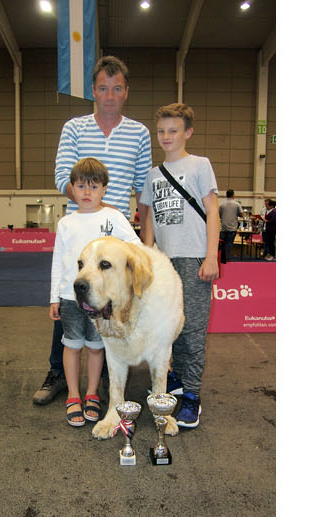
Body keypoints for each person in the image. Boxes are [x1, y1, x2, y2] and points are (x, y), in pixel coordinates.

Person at [34, 55, 152, 406]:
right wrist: (89, 205)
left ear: (126, 92)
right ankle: (58, 371)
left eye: (116, 89)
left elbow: (142, 191)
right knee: (71, 301)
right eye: (103, 88)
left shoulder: (140, 134)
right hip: (81, 234)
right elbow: (61, 178)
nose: (110, 95)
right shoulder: (73, 128)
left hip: (116, 238)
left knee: (112, 307)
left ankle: (105, 380)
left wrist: (145, 242)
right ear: (93, 91)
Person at [139, 102, 220, 429]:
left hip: (195, 258)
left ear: (187, 132)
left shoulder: (200, 165)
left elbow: (212, 211)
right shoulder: (152, 175)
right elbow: (149, 220)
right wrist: (147, 257)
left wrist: (211, 255)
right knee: (167, 324)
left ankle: (192, 397)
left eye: (173, 131)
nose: (166, 136)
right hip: (165, 263)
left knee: (193, 329)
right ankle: (175, 377)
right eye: (161, 131)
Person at [48, 158, 141, 427]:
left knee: (96, 347)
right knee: (72, 345)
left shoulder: (113, 217)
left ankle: (92, 393)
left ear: (104, 189)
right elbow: (59, 261)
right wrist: (54, 297)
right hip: (69, 296)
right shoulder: (66, 223)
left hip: (102, 299)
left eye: (93, 186)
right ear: (72, 189)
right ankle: (73, 396)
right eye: (80, 186)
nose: (87, 192)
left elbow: (134, 246)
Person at [217, 189, 242, 263]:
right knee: (229, 243)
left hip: (223, 227)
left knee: (221, 243)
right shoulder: (237, 204)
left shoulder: (221, 204)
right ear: (233, 195)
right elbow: (241, 214)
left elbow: (218, 214)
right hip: (233, 227)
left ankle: (220, 257)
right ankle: (227, 257)